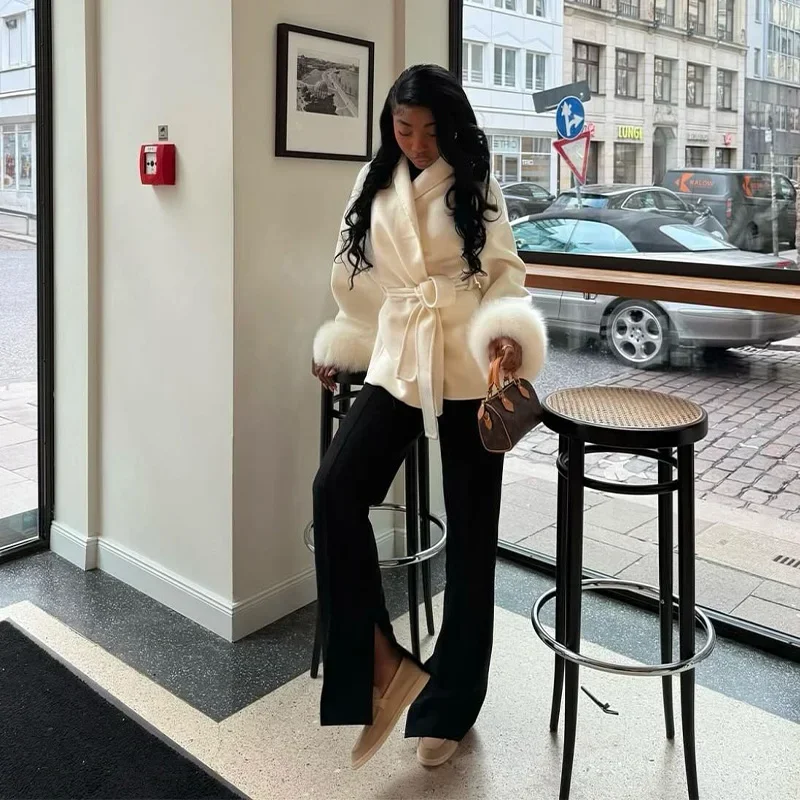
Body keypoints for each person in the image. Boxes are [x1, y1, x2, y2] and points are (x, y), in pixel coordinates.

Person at [311, 64, 547, 771]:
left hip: (469, 360)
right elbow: (354, 276)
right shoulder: (372, 181)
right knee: (335, 490)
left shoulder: (475, 181)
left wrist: (506, 335)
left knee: (472, 537)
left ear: (451, 126)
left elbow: (506, 271)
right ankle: (384, 665)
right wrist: (346, 341)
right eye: (403, 127)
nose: (416, 142)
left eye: (429, 130)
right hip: (398, 356)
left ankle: (451, 702)